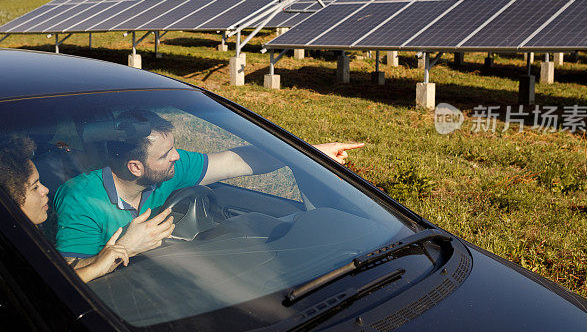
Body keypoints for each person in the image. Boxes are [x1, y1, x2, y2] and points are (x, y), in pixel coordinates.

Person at [53, 110, 363, 258]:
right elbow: (70, 279)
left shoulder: (166, 168)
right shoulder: (81, 200)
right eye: (166, 155)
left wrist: (309, 154)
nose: (177, 156)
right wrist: (125, 248)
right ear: (136, 167)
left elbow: (234, 162)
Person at [0, 134, 135, 282]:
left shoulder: (27, 233)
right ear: (7, 197)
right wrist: (95, 269)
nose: (45, 190)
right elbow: (37, 292)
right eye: (35, 187)